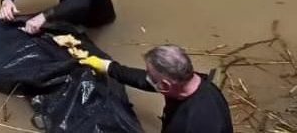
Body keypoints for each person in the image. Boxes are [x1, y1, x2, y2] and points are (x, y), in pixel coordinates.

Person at [80, 45, 233, 133]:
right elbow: (144, 80)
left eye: (151, 75)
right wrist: (108, 67)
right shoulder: (193, 81)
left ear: (165, 85)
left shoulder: (194, 124)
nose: (148, 78)